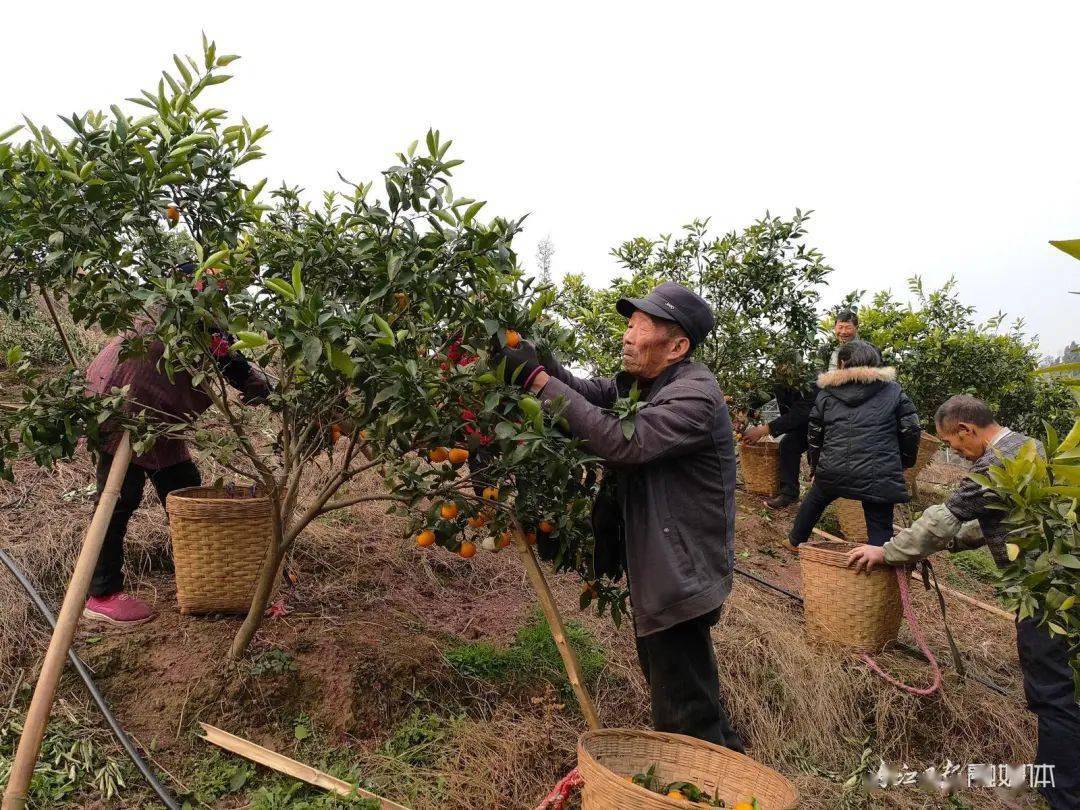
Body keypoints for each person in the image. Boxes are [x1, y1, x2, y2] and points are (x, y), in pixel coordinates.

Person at [498, 281, 743, 751]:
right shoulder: (647, 385)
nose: (628, 335)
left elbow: (620, 442)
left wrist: (536, 382)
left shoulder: (694, 396)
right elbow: (589, 393)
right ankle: (731, 767)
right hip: (664, 566)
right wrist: (541, 363)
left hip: (680, 574)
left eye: (642, 327)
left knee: (682, 710)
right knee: (685, 685)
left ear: (677, 346)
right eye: (629, 324)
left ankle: (702, 787)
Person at [847, 396, 1080, 810]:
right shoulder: (1028, 447)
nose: (954, 453)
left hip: (1042, 594)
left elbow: (946, 516)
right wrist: (953, 541)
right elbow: (995, 513)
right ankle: (1054, 776)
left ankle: (1063, 794)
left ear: (966, 430)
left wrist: (889, 552)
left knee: (1052, 693)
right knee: (1064, 685)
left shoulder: (995, 464)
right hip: (1063, 581)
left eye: (953, 445)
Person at [82, 267, 273, 626]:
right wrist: (257, 385)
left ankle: (201, 562)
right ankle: (101, 593)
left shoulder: (166, 302)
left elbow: (223, 350)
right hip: (129, 405)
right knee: (118, 498)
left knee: (183, 485)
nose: (224, 289)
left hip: (155, 411)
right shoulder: (189, 308)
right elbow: (227, 357)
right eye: (218, 282)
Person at [787, 339, 921, 549]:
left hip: (832, 469)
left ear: (841, 364)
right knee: (879, 520)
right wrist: (904, 463)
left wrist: (815, 466)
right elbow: (911, 429)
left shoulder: (827, 394)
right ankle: (878, 564)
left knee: (814, 500)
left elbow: (814, 434)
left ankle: (794, 542)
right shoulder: (893, 391)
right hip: (879, 472)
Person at [742, 309, 860, 508]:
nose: (844, 331)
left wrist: (765, 429)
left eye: (848, 327)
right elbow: (765, 393)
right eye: (840, 327)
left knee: (823, 458)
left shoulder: (808, 382)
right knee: (790, 444)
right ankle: (789, 493)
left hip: (837, 417)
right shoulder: (816, 359)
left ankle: (838, 501)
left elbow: (802, 411)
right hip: (819, 416)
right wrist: (744, 409)